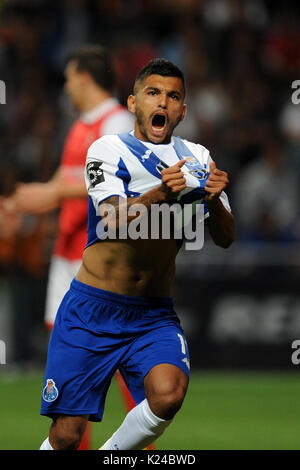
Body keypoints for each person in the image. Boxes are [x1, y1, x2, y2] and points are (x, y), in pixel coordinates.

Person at [39, 58, 235, 450]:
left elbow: (226, 237)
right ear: (133, 103)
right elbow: (111, 218)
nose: (162, 102)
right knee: (67, 435)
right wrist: (161, 193)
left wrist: (214, 203)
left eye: (173, 96)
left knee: (169, 393)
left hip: (152, 314)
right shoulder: (108, 150)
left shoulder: (197, 157)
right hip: (92, 310)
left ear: (183, 110)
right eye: (153, 93)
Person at [2, 44, 135, 449]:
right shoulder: (82, 124)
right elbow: (60, 185)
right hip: (67, 256)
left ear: (83, 78)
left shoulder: (116, 122)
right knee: (72, 363)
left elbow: (115, 182)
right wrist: (17, 202)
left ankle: (141, 443)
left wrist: (46, 193)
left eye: (69, 77)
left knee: (109, 358)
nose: (65, 86)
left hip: (95, 258)